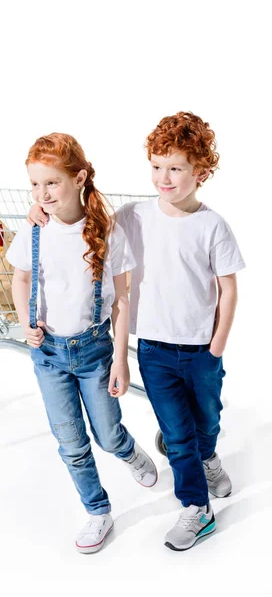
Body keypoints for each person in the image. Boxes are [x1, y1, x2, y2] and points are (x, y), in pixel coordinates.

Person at [28, 113, 245, 551]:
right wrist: (38, 209)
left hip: (202, 347)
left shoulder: (213, 226)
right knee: (177, 433)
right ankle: (196, 510)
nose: (164, 177)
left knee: (206, 420)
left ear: (201, 173)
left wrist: (217, 344)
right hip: (154, 349)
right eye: (157, 166)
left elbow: (228, 289)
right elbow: (77, 211)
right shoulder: (131, 216)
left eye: (176, 168)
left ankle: (209, 458)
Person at [6, 132, 157, 554]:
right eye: (35, 184)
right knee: (71, 442)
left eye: (51, 182)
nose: (42, 192)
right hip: (48, 354)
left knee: (107, 435)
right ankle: (97, 510)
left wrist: (122, 361)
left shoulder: (106, 234)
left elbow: (123, 299)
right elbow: (20, 279)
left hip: (94, 352)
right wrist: (24, 321)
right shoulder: (34, 231)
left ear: (79, 178)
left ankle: (127, 451)